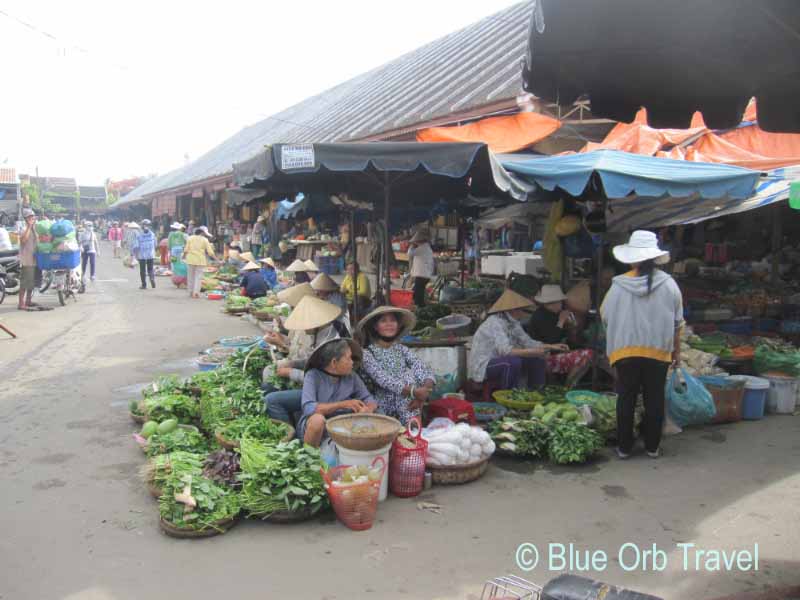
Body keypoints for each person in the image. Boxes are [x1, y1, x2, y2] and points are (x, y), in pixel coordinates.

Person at [602, 230, 684, 460]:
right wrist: (676, 352)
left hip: (626, 351)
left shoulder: (618, 285)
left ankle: (624, 448)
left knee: (626, 398)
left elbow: (605, 315)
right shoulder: (670, 285)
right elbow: (678, 323)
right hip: (658, 352)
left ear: (633, 257)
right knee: (654, 398)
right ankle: (652, 447)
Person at [263, 293, 349, 426]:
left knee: (271, 400)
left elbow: (326, 379)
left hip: (328, 391)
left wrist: (291, 372)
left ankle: (289, 436)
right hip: (315, 384)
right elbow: (312, 360)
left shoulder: (331, 342)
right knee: (268, 383)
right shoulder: (319, 334)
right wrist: (292, 363)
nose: (303, 328)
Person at [467, 289, 568, 390]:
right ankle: (508, 395)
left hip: (500, 358)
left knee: (537, 359)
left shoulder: (514, 323)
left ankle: (536, 392)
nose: (524, 314)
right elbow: (505, 351)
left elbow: (528, 342)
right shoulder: (495, 322)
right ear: (513, 310)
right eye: (522, 310)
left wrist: (552, 346)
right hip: (483, 364)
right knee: (513, 362)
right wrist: (533, 351)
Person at [356, 306, 435, 424]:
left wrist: (425, 390)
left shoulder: (401, 349)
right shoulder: (367, 353)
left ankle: (413, 433)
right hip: (381, 403)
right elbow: (384, 380)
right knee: (406, 379)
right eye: (383, 321)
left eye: (393, 320)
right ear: (375, 327)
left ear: (398, 325)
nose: (389, 324)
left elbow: (423, 368)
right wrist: (414, 392)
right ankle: (413, 430)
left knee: (409, 376)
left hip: (408, 399)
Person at [299, 338, 377, 448]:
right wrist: (342, 404)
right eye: (348, 358)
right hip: (319, 428)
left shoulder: (352, 376)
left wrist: (368, 409)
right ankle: (308, 458)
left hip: (345, 424)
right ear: (334, 362)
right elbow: (308, 408)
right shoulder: (313, 376)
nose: (352, 362)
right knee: (317, 420)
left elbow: (369, 398)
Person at [527, 284, 594, 380]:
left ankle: (566, 383)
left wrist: (572, 328)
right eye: (559, 302)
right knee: (587, 354)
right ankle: (568, 386)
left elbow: (568, 340)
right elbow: (552, 341)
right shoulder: (539, 317)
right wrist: (561, 322)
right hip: (543, 358)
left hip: (557, 353)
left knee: (588, 353)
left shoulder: (556, 314)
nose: (561, 304)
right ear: (551, 303)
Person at [182, 226, 216, 299]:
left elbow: (186, 249)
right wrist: (217, 260)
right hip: (200, 260)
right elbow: (210, 252)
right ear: (202, 233)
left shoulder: (190, 238)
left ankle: (191, 292)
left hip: (190, 259)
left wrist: (183, 257)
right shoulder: (205, 240)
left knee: (190, 276)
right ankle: (196, 293)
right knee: (198, 277)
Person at [17, 208, 39, 310]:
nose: (32, 219)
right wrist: (29, 227)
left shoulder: (35, 229)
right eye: (30, 217)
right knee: (25, 282)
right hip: (27, 260)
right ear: (26, 219)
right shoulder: (23, 228)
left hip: (35, 259)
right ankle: (21, 304)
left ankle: (28, 301)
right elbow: (23, 240)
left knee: (32, 282)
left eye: (33, 217)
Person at [407, 229, 434, 307]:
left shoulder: (422, 248)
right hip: (425, 274)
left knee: (417, 295)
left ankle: (420, 307)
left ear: (419, 240)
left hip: (422, 275)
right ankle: (420, 307)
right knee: (418, 292)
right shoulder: (426, 247)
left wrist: (411, 246)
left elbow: (410, 253)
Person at [131, 219, 157, 289]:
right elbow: (155, 244)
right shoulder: (152, 234)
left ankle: (144, 285)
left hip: (142, 255)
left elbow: (136, 246)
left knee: (142, 270)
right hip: (150, 255)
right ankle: (152, 278)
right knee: (150, 269)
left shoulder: (139, 235)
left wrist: (133, 254)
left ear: (142, 226)